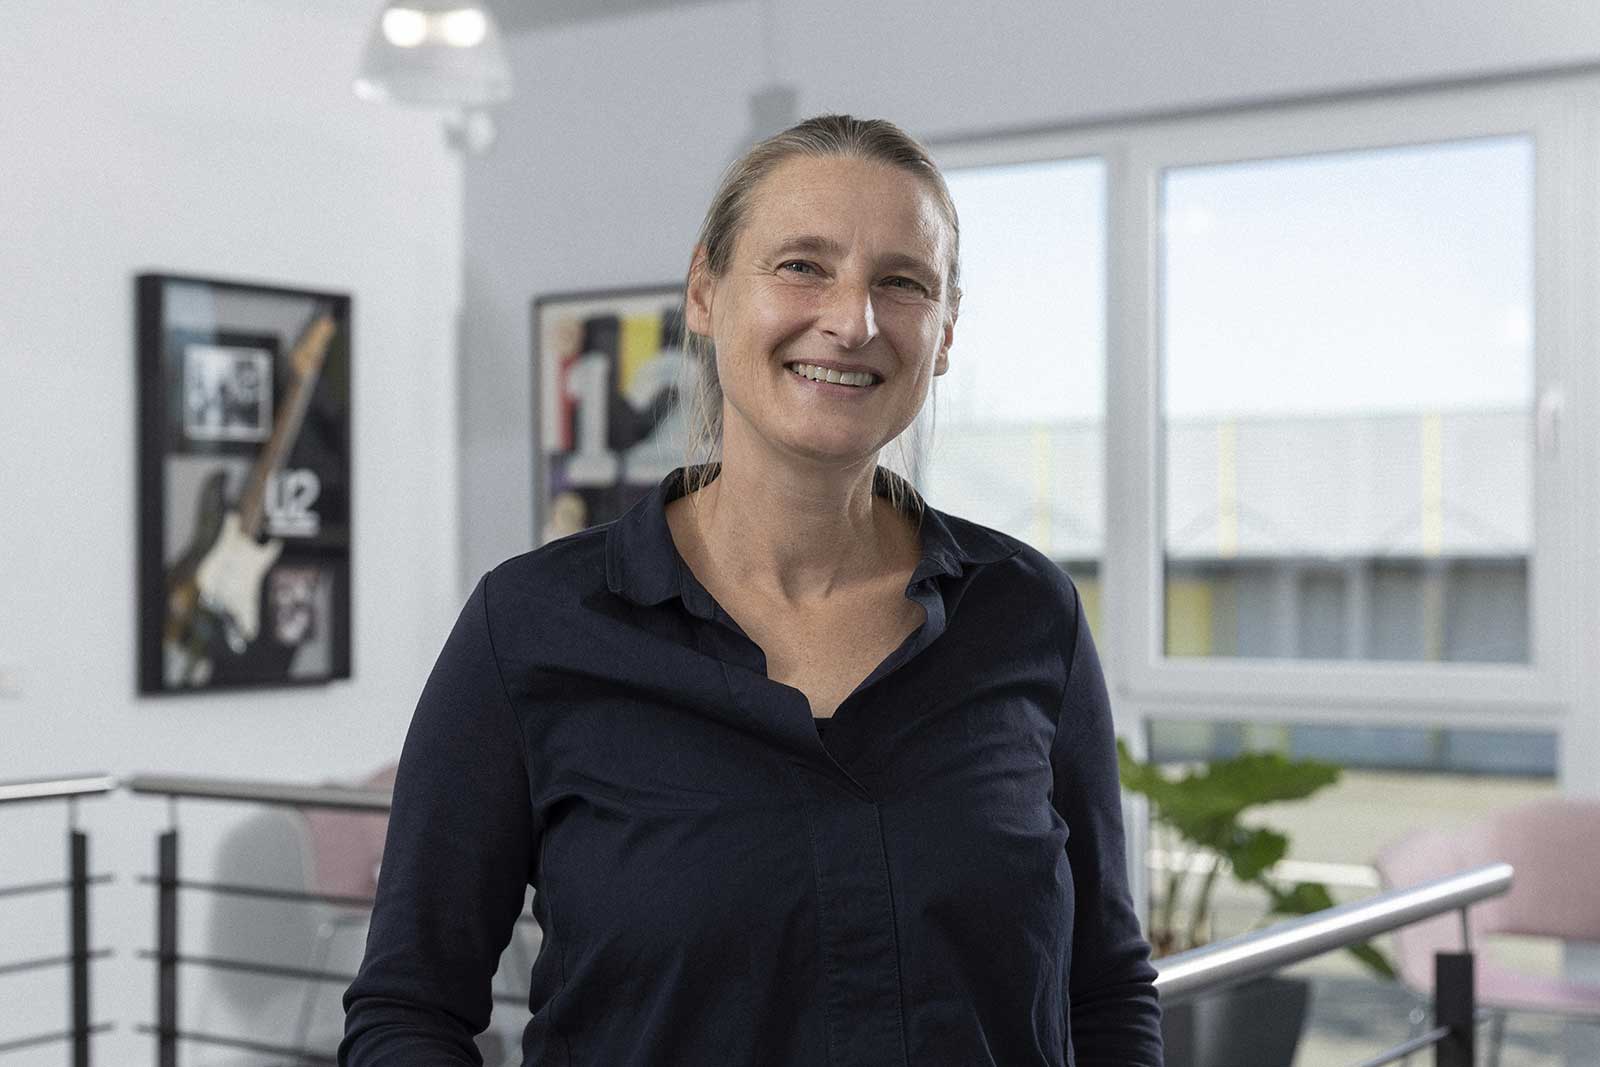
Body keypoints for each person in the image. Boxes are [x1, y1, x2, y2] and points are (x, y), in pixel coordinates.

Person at [340, 114, 1163, 1066]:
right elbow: (408, 1009)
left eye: (902, 282)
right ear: (705, 292)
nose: (853, 321)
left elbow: (1106, 991)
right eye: (803, 266)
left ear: (942, 334)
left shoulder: (1027, 615)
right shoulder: (529, 627)